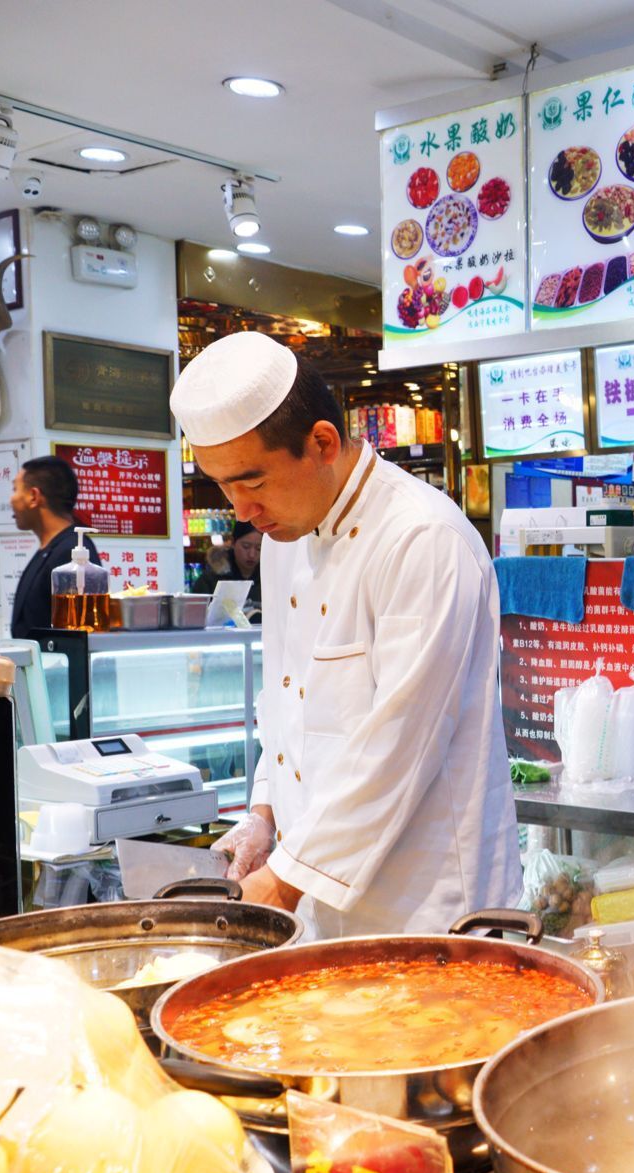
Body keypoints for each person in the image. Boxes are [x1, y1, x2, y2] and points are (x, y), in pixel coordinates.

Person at [169, 330, 518, 935]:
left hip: (427, 905)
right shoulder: (287, 536)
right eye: (222, 487)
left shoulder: (422, 538)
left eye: (251, 483)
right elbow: (284, 696)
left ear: (322, 443)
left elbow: (401, 740)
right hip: (311, 887)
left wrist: (283, 879)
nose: (241, 511)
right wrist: (264, 810)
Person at [7, 456, 98, 640]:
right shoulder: (50, 549)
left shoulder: (73, 552)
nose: (11, 499)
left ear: (34, 496)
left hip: (58, 668)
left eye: (15, 489)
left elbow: (79, 637)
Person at [194, 521, 263, 610]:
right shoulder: (210, 580)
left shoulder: (270, 579)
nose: (252, 554)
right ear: (233, 543)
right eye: (246, 546)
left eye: (259, 548)